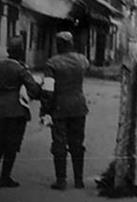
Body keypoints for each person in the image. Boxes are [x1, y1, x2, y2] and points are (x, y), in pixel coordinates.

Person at [41, 31, 90, 190]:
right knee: (77, 143)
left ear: (59, 45)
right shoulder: (82, 60)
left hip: (59, 107)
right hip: (79, 106)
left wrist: (45, 110)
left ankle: (61, 180)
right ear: (71, 44)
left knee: (59, 143)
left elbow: (48, 90)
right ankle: (79, 180)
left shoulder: (52, 63)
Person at [0, 36, 41, 187]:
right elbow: (34, 89)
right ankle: (5, 177)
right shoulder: (20, 69)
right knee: (11, 146)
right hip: (16, 112)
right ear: (20, 52)